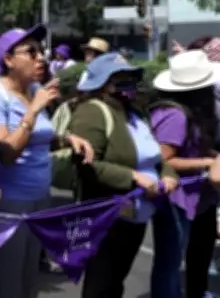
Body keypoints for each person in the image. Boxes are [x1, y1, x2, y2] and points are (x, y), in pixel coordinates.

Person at [0, 25, 92, 298]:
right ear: (8, 59)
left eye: (41, 51)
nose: (40, 57)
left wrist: (67, 139)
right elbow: (6, 152)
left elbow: (41, 136)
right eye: (31, 51)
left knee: (30, 281)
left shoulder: (35, 89)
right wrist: (32, 110)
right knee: (6, 283)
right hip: (10, 202)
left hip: (41, 199)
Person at [68, 52, 179, 298]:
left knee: (116, 282)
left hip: (137, 214)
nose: (129, 84)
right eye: (121, 79)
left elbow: (158, 158)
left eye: (131, 77)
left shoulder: (136, 115)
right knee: (101, 285)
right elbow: (87, 164)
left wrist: (169, 175)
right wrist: (133, 177)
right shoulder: (92, 112)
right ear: (103, 84)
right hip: (107, 215)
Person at [149, 50, 220, 298]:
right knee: (169, 264)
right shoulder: (174, 115)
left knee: (188, 259)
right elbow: (164, 160)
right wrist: (208, 162)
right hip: (175, 198)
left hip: (195, 197)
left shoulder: (191, 115)